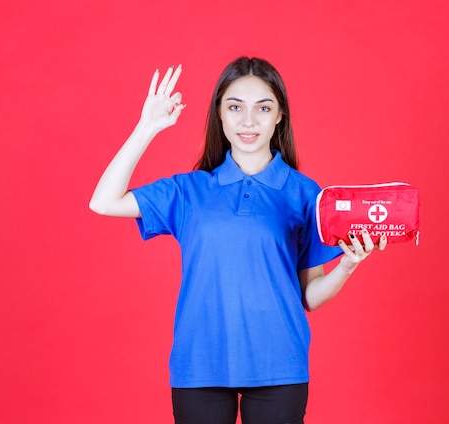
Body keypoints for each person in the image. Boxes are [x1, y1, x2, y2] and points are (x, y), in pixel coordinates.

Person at [89, 57, 386, 424]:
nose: (249, 121)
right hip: (200, 361)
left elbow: (309, 296)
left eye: (263, 108)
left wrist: (347, 265)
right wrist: (146, 128)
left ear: (280, 116)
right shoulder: (190, 190)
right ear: (220, 114)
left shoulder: (304, 193)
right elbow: (103, 202)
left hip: (280, 362)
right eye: (235, 107)